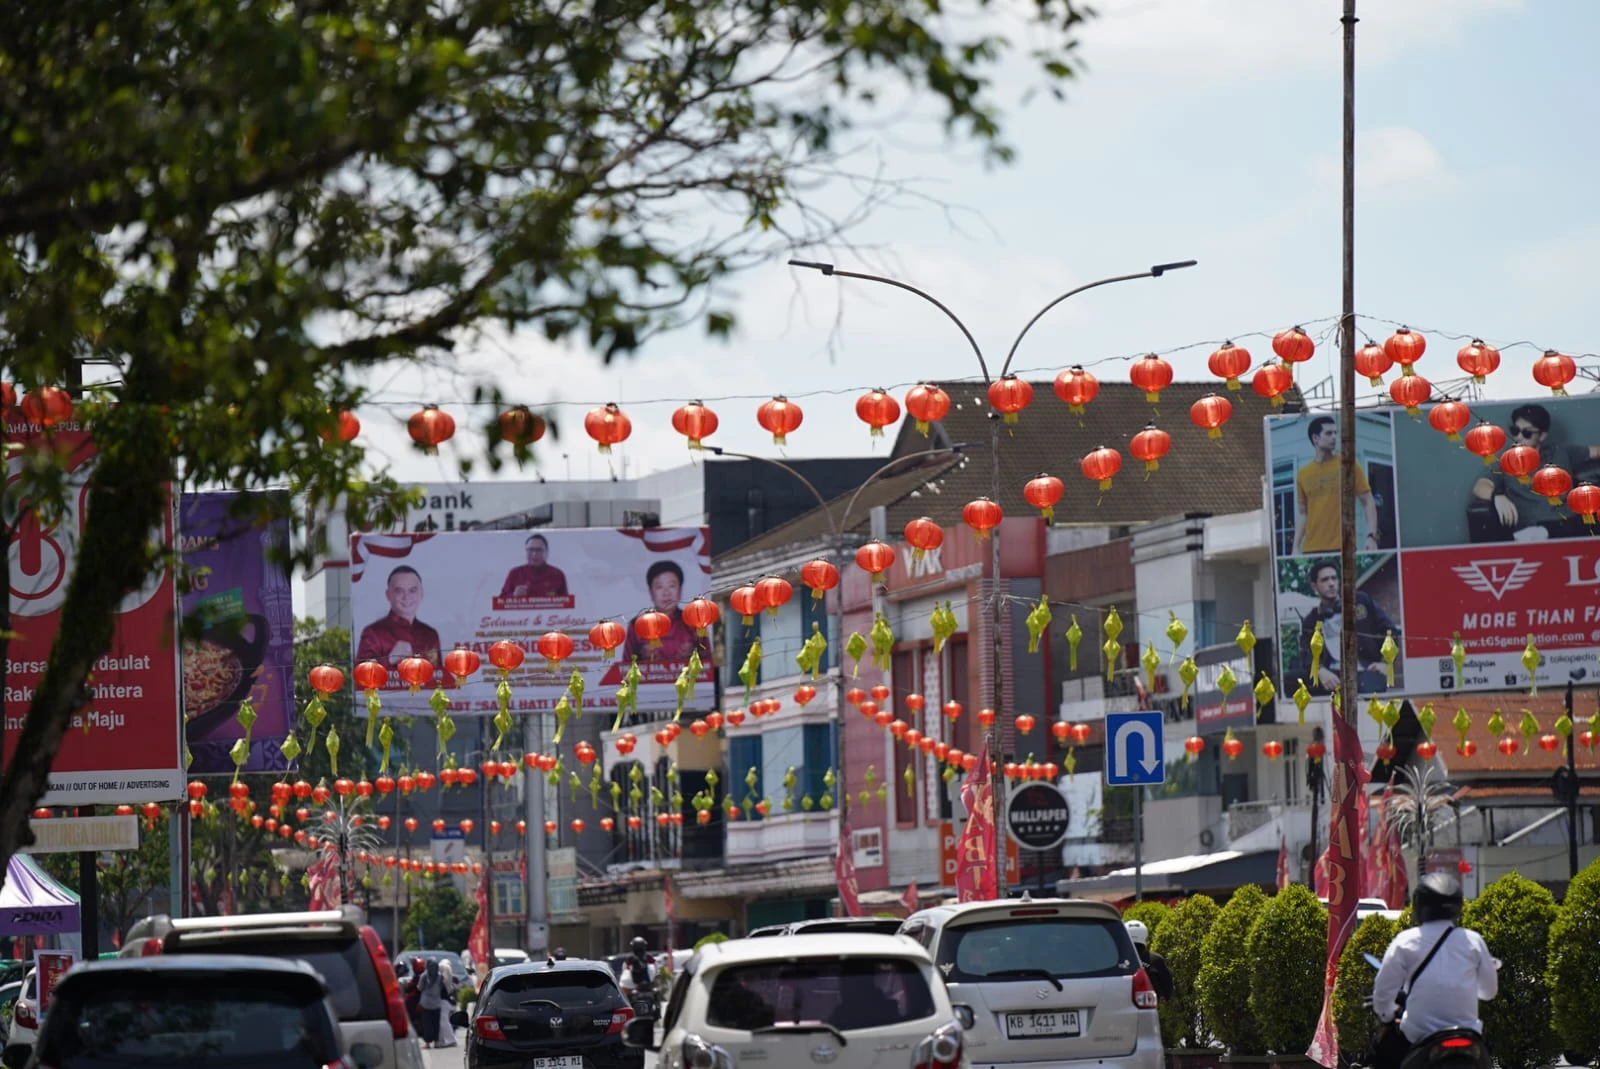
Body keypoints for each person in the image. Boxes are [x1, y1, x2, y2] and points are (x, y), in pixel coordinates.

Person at [1371, 873, 1498, 1069]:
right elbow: (1489, 992)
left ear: (1419, 905)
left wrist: (1388, 1016)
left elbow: (1382, 994)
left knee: (1383, 1052)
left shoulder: (1405, 941)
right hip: (1468, 1035)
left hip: (1418, 1034)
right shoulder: (1473, 941)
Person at [1469, 403, 1600, 543]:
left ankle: (1546, 532)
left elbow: (1596, 451)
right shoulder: (1506, 460)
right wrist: (1497, 496)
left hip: (1570, 521)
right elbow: (1480, 486)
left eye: (1527, 433)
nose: (1519, 437)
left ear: (1542, 436)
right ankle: (1544, 532)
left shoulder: (1560, 452)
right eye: (1515, 430)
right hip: (1531, 524)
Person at [1298, 559, 1401, 694]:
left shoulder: (1360, 601)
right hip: (1333, 675)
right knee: (1295, 680)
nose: (1331, 584)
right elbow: (1307, 652)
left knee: (1369, 690)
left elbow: (1390, 631)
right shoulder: (1311, 620)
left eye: (1334, 578)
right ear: (1314, 586)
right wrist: (1320, 670)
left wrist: (1386, 662)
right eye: (1325, 580)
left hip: (1367, 669)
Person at [1292, 416, 1382, 555]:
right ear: (1315, 438)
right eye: (1328, 433)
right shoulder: (1303, 474)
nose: (1334, 437)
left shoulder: (1348, 465)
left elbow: (1368, 501)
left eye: (1335, 433)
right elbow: (1303, 513)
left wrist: (1371, 536)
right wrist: (1296, 546)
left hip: (1344, 548)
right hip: (1311, 550)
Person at [620, 560, 714, 665]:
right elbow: (625, 667)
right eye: (659, 587)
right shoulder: (637, 625)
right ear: (651, 592)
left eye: (672, 586)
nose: (666, 593)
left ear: (680, 590)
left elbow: (708, 662)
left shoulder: (695, 623)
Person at [355, 566, 443, 668]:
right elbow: (360, 674)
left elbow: (439, 677)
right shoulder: (373, 633)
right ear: (388, 595)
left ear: (421, 594)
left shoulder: (430, 634)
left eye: (412, 590)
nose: (406, 597)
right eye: (399, 591)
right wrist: (389, 659)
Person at [499, 534, 569, 597]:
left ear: (546, 552)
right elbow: (500, 601)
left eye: (539, 550)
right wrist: (513, 595)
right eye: (530, 550)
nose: (534, 554)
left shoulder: (557, 574)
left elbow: (567, 604)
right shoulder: (515, 573)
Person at [1125, 920, 1174, 1000]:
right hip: (1150, 1008)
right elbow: (1168, 990)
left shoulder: (1117, 961)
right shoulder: (1156, 959)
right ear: (1145, 935)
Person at [415, 957, 445, 1047]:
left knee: (427, 1024)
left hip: (425, 1004)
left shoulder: (424, 976)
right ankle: (436, 1042)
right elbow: (442, 988)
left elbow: (419, 988)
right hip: (437, 1003)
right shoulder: (440, 976)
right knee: (436, 1024)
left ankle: (427, 1043)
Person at [619, 937, 657, 1002]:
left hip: (639, 988)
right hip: (643, 988)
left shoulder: (629, 959)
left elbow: (624, 971)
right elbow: (656, 970)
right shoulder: (649, 958)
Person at [435, 960, 459, 1048]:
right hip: (446, 1002)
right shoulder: (449, 981)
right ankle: (443, 1040)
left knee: (443, 1022)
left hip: (443, 1002)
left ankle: (450, 1040)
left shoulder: (442, 981)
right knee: (443, 1022)